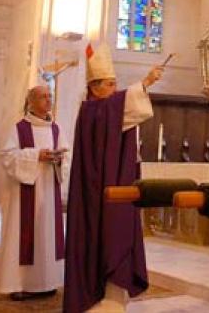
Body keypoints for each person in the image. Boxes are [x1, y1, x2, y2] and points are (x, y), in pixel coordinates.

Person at [64, 43, 163, 313]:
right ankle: (98, 301)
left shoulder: (102, 110)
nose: (115, 90)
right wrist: (145, 82)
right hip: (97, 194)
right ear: (94, 88)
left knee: (117, 235)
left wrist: (144, 85)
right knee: (105, 237)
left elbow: (126, 111)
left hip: (113, 184)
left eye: (115, 84)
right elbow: (124, 107)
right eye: (110, 84)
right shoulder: (92, 111)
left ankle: (113, 299)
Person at [0, 85, 68, 300]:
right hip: (25, 193)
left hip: (49, 190)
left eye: (50, 96)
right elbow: (7, 156)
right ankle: (20, 283)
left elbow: (67, 155)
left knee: (48, 235)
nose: (48, 100)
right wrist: (36, 155)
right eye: (43, 97)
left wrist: (59, 158)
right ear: (31, 101)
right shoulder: (19, 128)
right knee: (24, 236)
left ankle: (47, 281)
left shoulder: (56, 129)